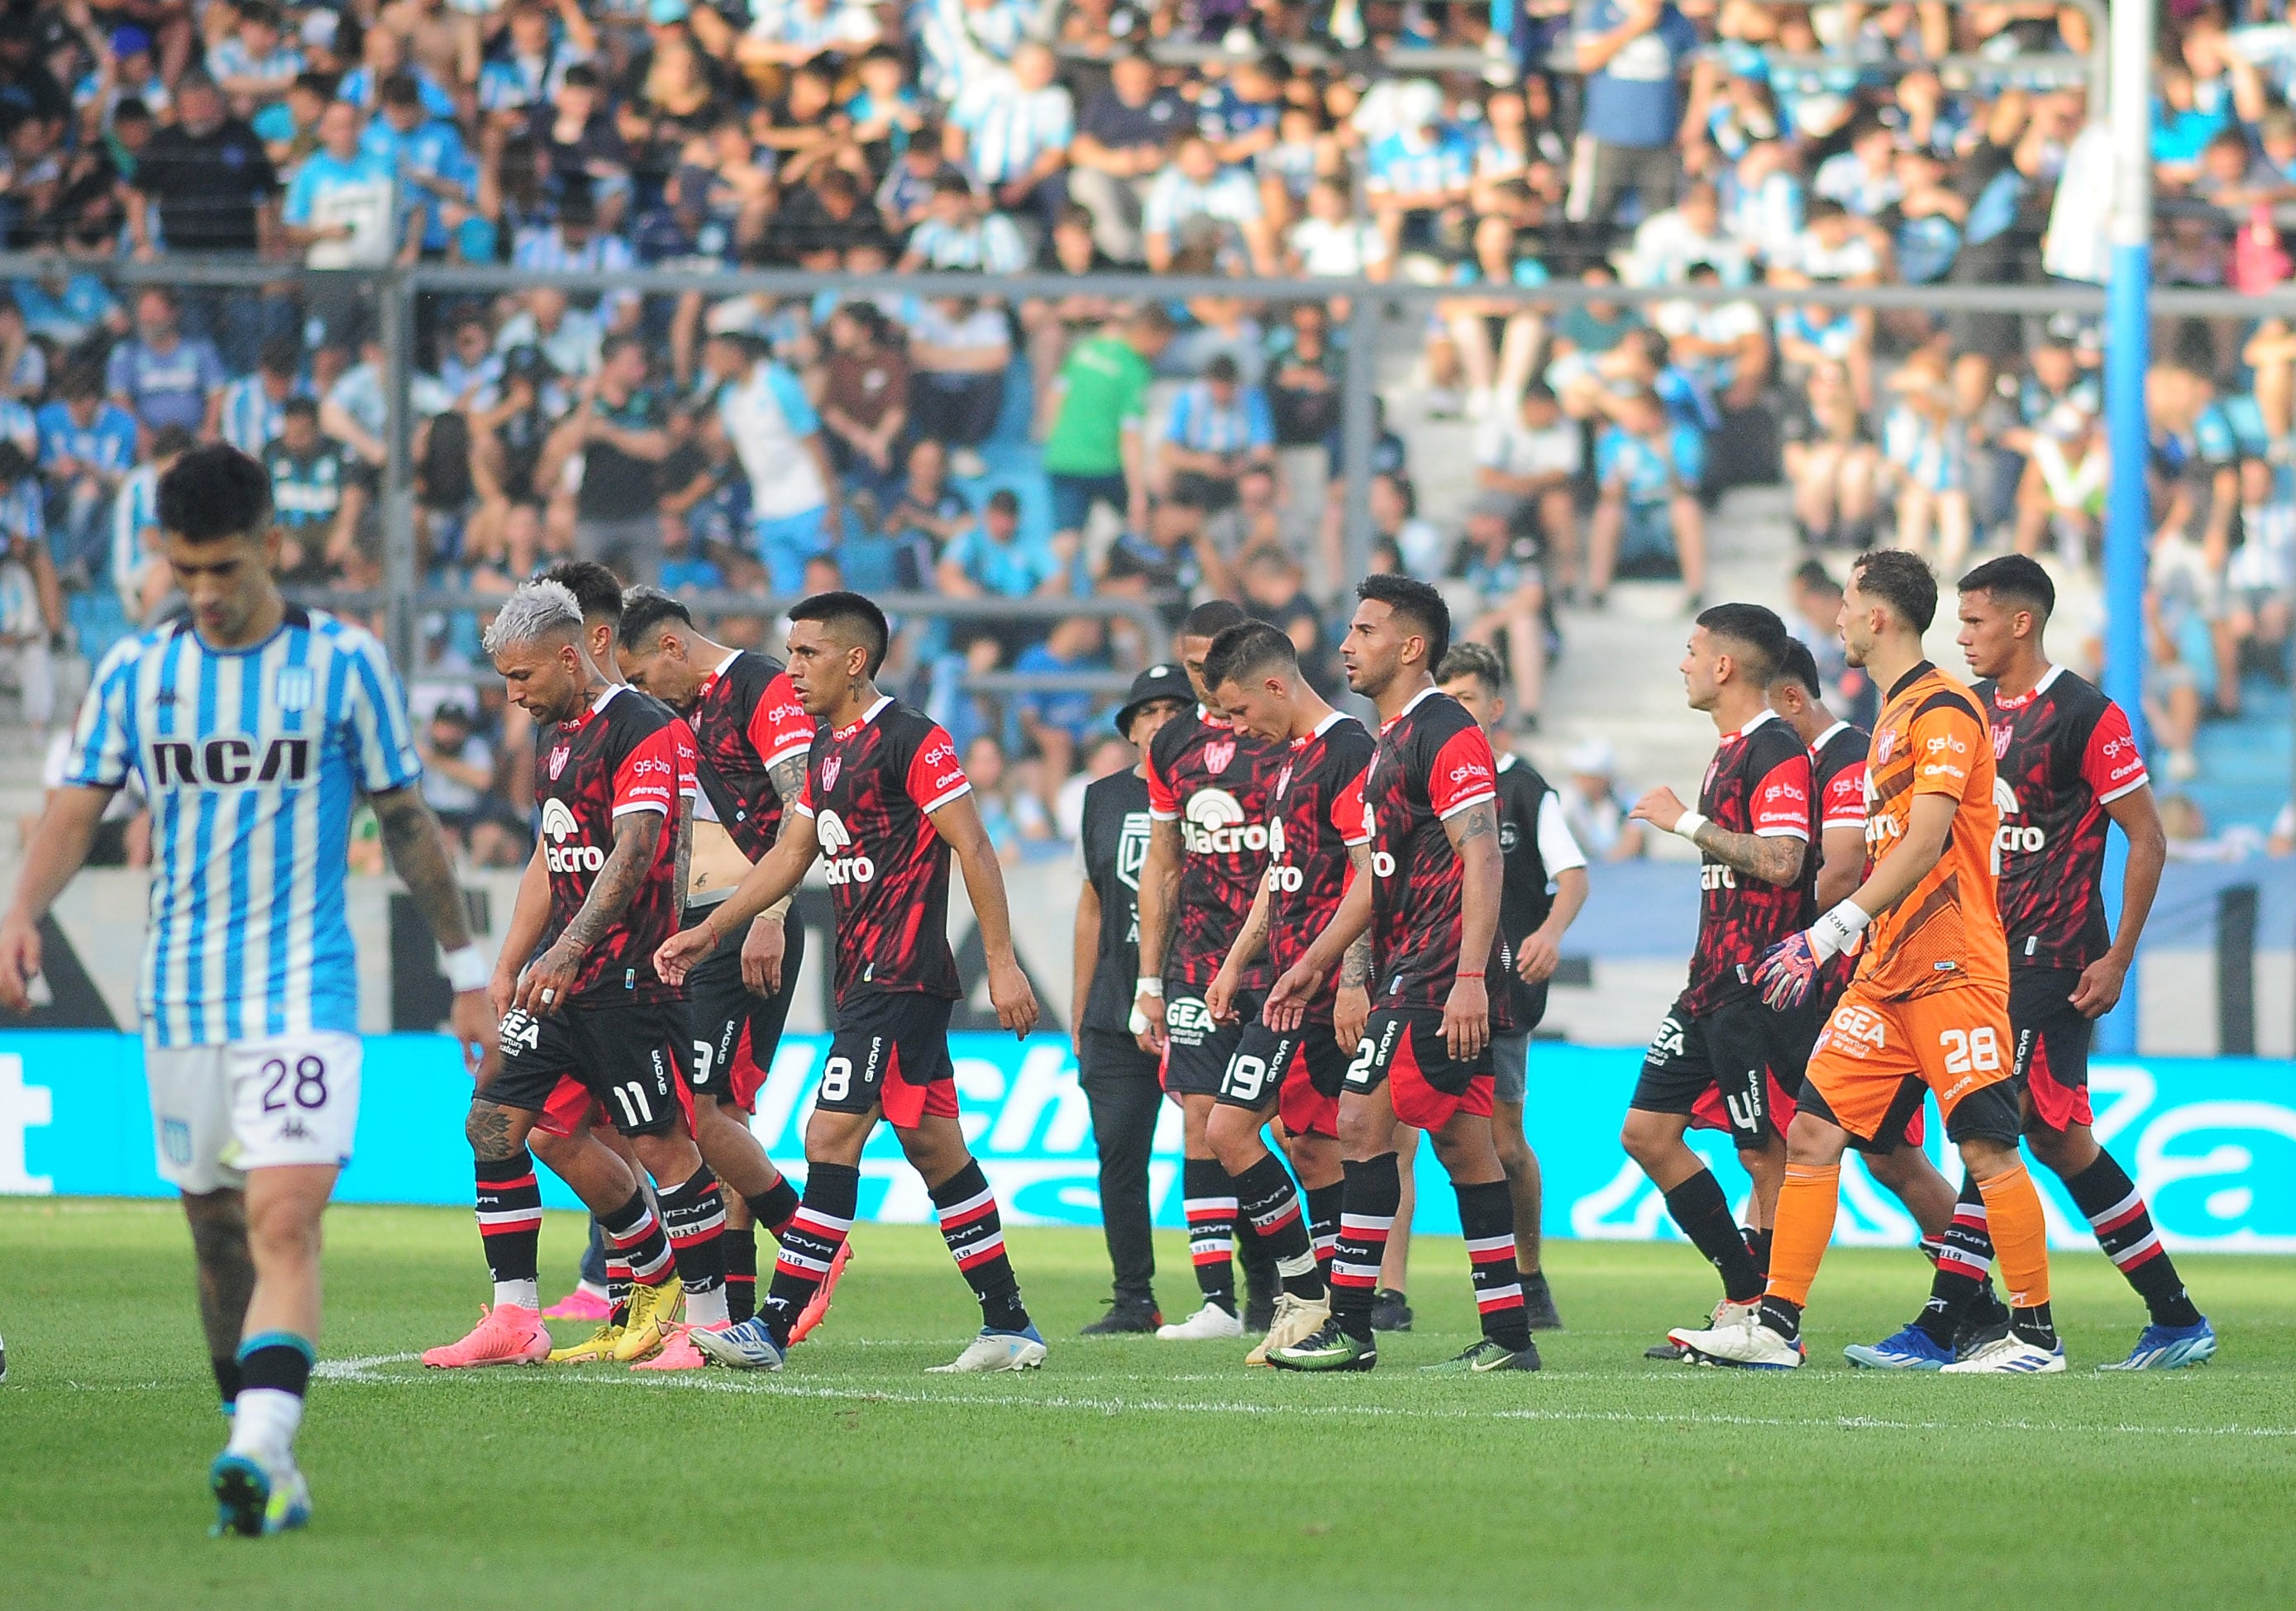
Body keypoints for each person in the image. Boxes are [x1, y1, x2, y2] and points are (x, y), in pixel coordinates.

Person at [0, 442, 494, 1535]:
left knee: (281, 1222)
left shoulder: (346, 665)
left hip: (306, 992)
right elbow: (78, 807)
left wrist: (466, 972)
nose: (208, 595)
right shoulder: (137, 671)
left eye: (225, 568)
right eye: (187, 573)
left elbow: (407, 822)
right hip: (177, 1000)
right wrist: (20, 909)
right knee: (215, 1232)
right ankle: (262, 1456)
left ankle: (259, 1443)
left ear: (273, 546)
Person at [1672, 550, 2062, 1374]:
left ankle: (2032, 1335)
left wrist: (1829, 928)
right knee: (1811, 1130)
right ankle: (1774, 1324)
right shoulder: (1890, 715)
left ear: (1876, 616)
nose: (1836, 619)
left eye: (1847, 604)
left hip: (1951, 964)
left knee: (1985, 1148)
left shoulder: (1944, 710)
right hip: (1886, 971)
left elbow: (1924, 840)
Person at [655, 591, 1048, 1375]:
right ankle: (1009, 1322)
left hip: (902, 976)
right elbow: (786, 856)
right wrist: (709, 929)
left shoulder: (913, 739)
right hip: (864, 978)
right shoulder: (828, 750)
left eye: (807, 653)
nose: (792, 668)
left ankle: (768, 1324)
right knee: (937, 1149)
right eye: (790, 652)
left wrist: (1001, 962)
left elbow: (973, 845)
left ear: (855, 660)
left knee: (828, 1135)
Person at [1845, 556, 2213, 1373]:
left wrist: (2117, 956)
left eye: (1973, 621)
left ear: (2019, 621)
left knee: (1993, 1125)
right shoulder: (1964, 709)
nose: (1960, 635)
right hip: (1976, 956)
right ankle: (2174, 1312)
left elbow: (2146, 837)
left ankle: (1955, 1324)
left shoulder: (2087, 714)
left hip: (2055, 953)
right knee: (2055, 1136)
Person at [424, 581, 739, 1375]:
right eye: (505, 679)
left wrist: (567, 950)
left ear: (571, 656)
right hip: (556, 983)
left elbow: (634, 850)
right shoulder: (555, 733)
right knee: (495, 1124)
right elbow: (550, 852)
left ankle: (707, 1325)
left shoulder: (646, 728)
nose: (513, 694)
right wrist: (510, 962)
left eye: (523, 677)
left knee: (660, 1144)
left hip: (631, 979)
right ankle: (516, 1317)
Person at [1264, 574, 1539, 1374]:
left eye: (1364, 630)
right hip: (1411, 968)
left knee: (1357, 1123)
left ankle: (1349, 1325)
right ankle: (1509, 1334)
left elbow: (1481, 852)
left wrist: (1466, 979)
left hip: (1434, 975)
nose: (1346, 645)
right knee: (1462, 1144)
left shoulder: (1445, 730)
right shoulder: (1389, 739)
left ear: (1411, 647)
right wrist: (1316, 963)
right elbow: (1377, 879)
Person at [614, 587, 844, 1345]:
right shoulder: (686, 712)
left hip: (748, 928)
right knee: (723, 1121)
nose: (644, 694)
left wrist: (768, 918)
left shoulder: (759, 687)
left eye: (643, 677)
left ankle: (810, 1236)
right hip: (705, 929)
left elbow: (799, 809)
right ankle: (730, 1322)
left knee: (695, 1116)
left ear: (672, 647)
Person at [1616, 604, 1812, 1360]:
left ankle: (1773, 1324)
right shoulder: (1729, 750)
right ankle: (1744, 1292)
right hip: (1707, 984)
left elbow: (1783, 861)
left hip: (1753, 990)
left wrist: (1685, 823)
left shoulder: (1774, 751)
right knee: (1646, 1133)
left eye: (1693, 650)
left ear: (1725, 666)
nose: (1684, 663)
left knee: (1764, 1153)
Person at [1200, 622, 1372, 1365]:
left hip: (1323, 986)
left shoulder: (1348, 753)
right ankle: (1324, 1311)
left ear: (1275, 685)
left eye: (1238, 711)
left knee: (1228, 1130)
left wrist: (1352, 982)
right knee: (1311, 1146)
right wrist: (1237, 959)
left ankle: (1305, 1296)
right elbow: (1284, 872)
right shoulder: (1293, 760)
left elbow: (1372, 874)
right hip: (1284, 981)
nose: (1237, 728)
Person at [1131, 598, 1288, 1342]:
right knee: (1199, 1118)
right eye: (1191, 663)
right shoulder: (1170, 747)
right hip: (1197, 959)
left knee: (1281, 1130)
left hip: (1283, 960)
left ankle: (1282, 1280)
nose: (1200, 677)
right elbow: (1162, 861)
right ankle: (1217, 1301)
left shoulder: (1280, 736)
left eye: (1211, 662)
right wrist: (1150, 981)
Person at [1437, 643, 1586, 1332]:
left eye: (1467, 696)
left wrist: (1549, 932)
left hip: (1498, 991)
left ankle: (1526, 1275)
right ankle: (1385, 1290)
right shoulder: (1421, 775)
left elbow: (1573, 876)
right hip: (1421, 981)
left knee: (1504, 1140)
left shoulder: (1522, 787)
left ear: (1495, 706)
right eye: (1446, 696)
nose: (1456, 709)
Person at [1072, 662, 1194, 1334]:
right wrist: (1080, 1005)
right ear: (1129, 729)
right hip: (1115, 1009)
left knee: (1228, 1147)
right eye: (1146, 712)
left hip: (1199, 998)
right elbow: (1091, 906)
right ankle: (1132, 1298)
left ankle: (1255, 1292)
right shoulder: (1102, 798)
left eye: (1174, 708)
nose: (1159, 722)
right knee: (1120, 1153)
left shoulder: (1215, 791)